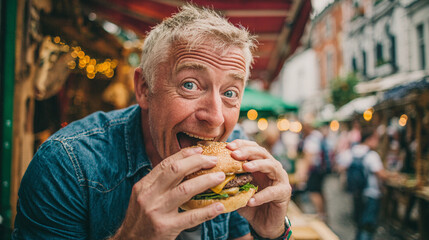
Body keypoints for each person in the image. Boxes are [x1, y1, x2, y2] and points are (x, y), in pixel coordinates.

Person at [13, 4, 292, 240]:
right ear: (144, 89)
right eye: (191, 85)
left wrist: (271, 233)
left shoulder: (238, 157)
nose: (216, 117)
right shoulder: (66, 165)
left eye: (230, 93)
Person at [343, 126, 388, 240]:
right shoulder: (372, 155)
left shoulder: (352, 151)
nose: (378, 142)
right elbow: (381, 174)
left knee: (359, 223)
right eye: (376, 139)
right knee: (367, 225)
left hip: (357, 192)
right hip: (371, 194)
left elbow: (340, 165)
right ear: (370, 139)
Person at [299, 123, 327, 221]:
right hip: (321, 168)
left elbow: (308, 157)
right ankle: (323, 213)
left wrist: (304, 173)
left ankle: (320, 215)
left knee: (314, 192)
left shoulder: (311, 139)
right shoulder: (317, 135)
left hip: (314, 169)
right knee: (319, 190)